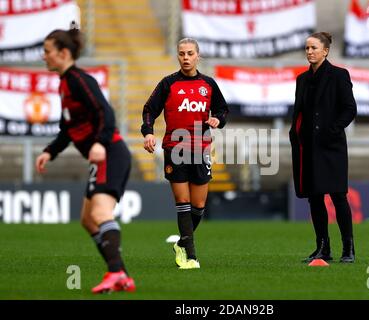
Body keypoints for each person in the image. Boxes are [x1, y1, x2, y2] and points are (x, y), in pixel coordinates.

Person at [35, 23, 135, 293]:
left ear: (64, 53)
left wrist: (101, 143)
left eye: (47, 51)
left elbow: (106, 113)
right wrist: (49, 151)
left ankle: (115, 272)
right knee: (88, 220)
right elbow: (68, 128)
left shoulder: (80, 80)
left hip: (111, 153)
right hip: (103, 156)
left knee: (100, 213)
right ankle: (121, 274)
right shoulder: (65, 85)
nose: (44, 56)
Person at [141, 38, 228, 269]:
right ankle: (190, 256)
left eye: (190, 53)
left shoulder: (208, 84)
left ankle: (181, 243)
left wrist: (218, 119)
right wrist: (148, 133)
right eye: (182, 54)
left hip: (201, 149)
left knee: (198, 206)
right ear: (178, 56)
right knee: (183, 202)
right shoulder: (168, 84)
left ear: (198, 56)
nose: (186, 57)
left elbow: (222, 109)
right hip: (175, 149)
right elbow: (150, 110)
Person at [289, 32, 357, 263]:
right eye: (307, 48)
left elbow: (349, 108)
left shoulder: (339, 75)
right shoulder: (302, 79)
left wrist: (334, 129)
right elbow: (299, 113)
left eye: (314, 48)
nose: (309, 52)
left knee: (339, 196)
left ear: (325, 51)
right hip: (308, 147)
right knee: (315, 198)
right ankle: (322, 248)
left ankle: (348, 248)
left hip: (332, 146)